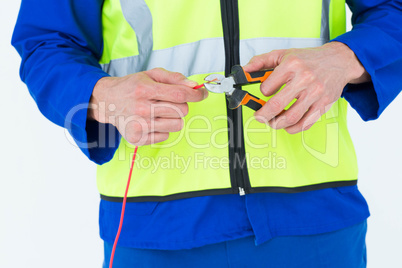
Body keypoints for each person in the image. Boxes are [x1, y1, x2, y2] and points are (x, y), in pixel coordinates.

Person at [12, 0, 402, 267]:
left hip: (316, 221)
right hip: (154, 227)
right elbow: (45, 41)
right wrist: (104, 95)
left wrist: (345, 58)